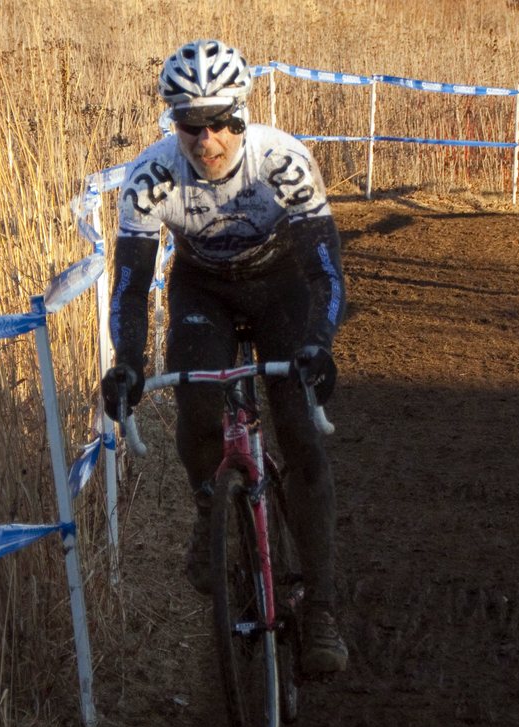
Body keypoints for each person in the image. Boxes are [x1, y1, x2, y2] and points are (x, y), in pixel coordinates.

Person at [100, 39, 349, 674]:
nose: (206, 137)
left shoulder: (283, 161)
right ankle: (211, 504)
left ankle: (320, 609)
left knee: (299, 433)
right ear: (173, 122)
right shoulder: (151, 177)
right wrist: (127, 360)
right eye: (190, 123)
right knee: (197, 406)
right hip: (202, 286)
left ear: (242, 113)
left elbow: (325, 270)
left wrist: (319, 342)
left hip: (280, 283)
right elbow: (129, 284)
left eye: (220, 121)